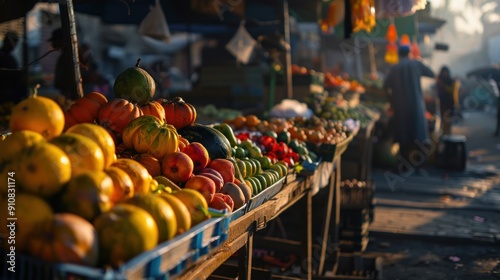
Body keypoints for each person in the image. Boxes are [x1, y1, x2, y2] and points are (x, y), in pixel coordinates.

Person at [384, 44, 435, 167]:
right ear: (409, 53)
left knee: (403, 136)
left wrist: (391, 101)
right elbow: (431, 74)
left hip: (400, 106)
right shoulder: (415, 64)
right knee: (418, 134)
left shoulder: (394, 68)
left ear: (398, 54)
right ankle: (420, 164)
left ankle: (403, 165)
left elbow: (385, 86)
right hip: (416, 105)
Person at [0, 31, 26, 103]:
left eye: (15, 43)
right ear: (6, 41)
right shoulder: (4, 57)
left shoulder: (9, 57)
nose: (14, 45)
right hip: (6, 93)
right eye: (12, 42)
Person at [436, 66, 460, 135]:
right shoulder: (439, 81)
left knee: (448, 121)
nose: (445, 74)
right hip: (442, 103)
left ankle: (447, 135)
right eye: (443, 72)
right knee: (443, 121)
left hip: (450, 103)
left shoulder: (451, 81)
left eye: (445, 72)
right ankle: (444, 136)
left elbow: (453, 91)